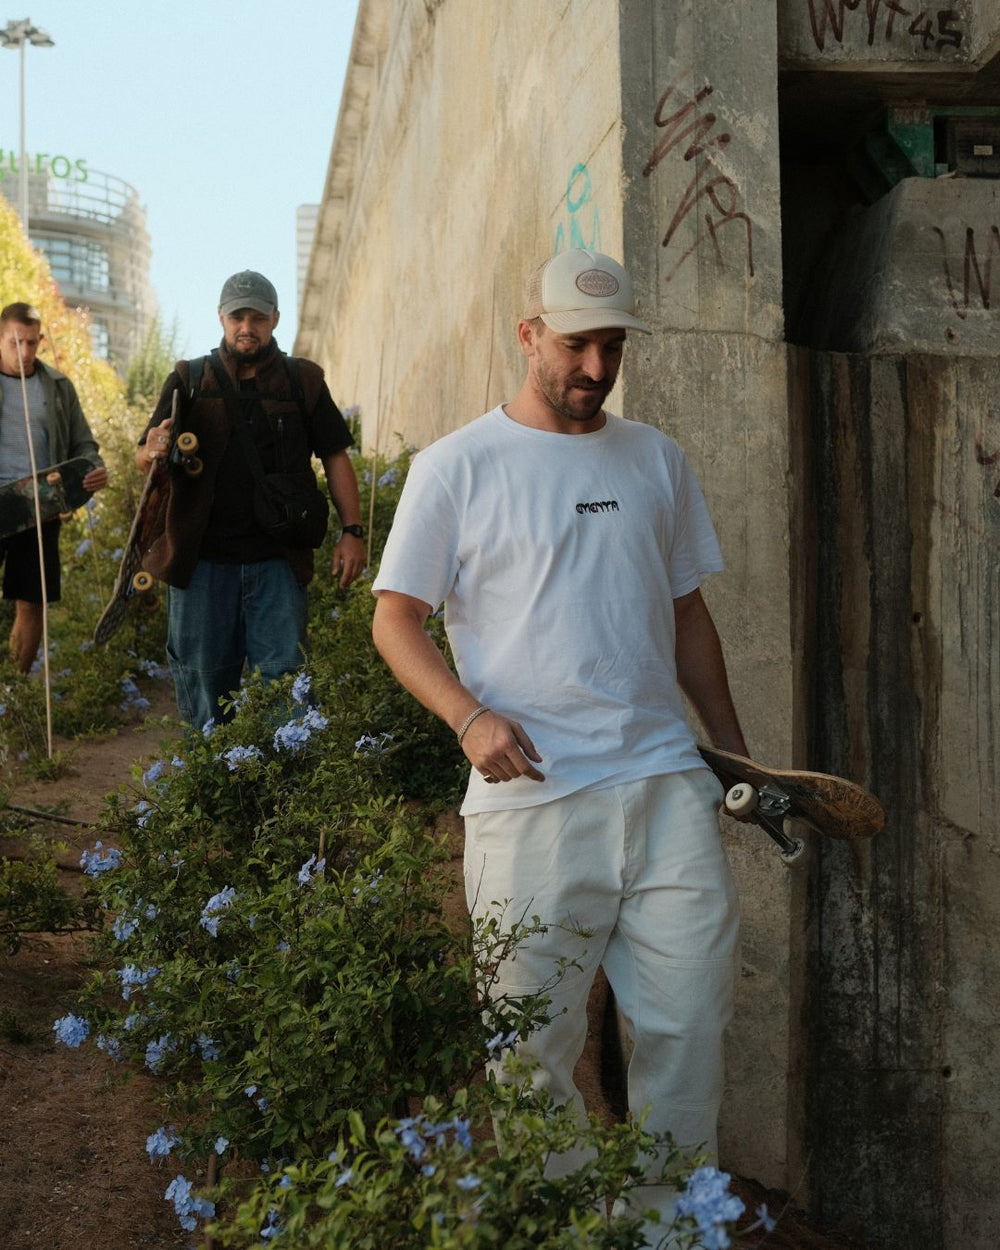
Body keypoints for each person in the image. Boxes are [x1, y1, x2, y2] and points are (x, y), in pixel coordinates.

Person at [371, 248, 748, 1237]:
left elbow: (688, 618)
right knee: (530, 1048)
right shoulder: (457, 466)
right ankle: (567, 1224)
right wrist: (467, 715)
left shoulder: (656, 459)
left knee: (687, 1028)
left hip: (666, 784)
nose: (595, 365)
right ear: (527, 332)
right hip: (529, 797)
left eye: (612, 345)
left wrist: (735, 758)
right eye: (577, 342)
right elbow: (395, 618)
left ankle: (664, 1228)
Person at [137, 270, 365, 730]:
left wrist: (353, 532)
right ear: (221, 317)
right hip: (201, 564)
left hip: (278, 562)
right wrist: (154, 448)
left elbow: (336, 457)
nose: (247, 326)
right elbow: (146, 454)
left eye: (257, 317)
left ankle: (284, 795)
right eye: (238, 316)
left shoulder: (304, 381)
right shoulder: (189, 378)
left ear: (275, 319)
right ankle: (210, 790)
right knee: (203, 689)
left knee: (286, 689)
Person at [0, 302, 108, 672]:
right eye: (16, 343)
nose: (25, 352)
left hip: (39, 503)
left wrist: (93, 469)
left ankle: (14, 696)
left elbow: (84, 445)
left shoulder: (59, 387)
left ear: (40, 340)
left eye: (32, 343)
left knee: (32, 600)